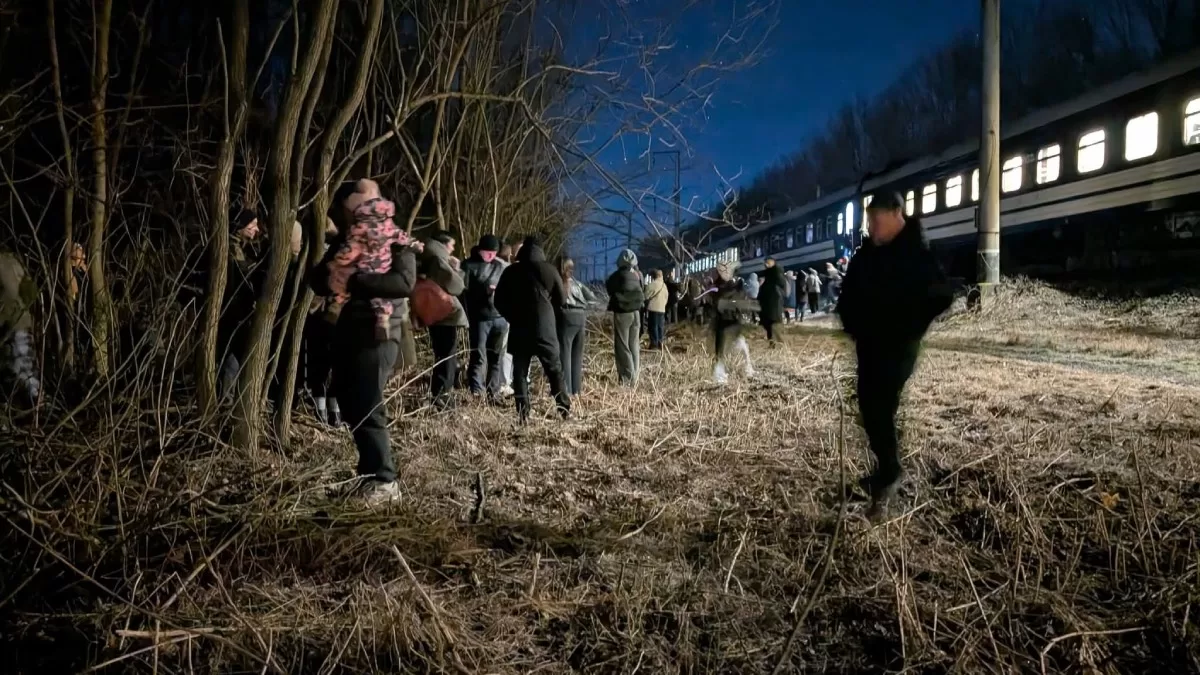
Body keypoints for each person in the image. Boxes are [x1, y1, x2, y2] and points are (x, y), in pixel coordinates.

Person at [836, 191, 953, 519]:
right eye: (869, 221)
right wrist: (853, 320)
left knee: (880, 405)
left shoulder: (916, 253)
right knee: (868, 406)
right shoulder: (869, 253)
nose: (871, 227)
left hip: (897, 347)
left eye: (876, 220)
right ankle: (886, 466)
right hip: (869, 343)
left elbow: (941, 296)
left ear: (896, 213)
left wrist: (907, 326)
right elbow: (849, 292)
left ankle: (888, 473)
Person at [308, 181, 420, 505]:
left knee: (368, 403)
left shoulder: (395, 238)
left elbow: (403, 282)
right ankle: (369, 475)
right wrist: (329, 275)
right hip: (346, 332)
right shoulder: (348, 238)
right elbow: (317, 279)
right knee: (351, 403)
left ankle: (385, 481)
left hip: (379, 332)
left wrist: (355, 280)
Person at [493, 235, 570, 422]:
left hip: (520, 327)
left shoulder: (511, 271)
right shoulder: (549, 270)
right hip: (545, 327)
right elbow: (562, 299)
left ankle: (523, 413)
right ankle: (563, 408)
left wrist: (512, 316)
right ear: (541, 250)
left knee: (519, 372)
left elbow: (499, 301)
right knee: (554, 369)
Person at [418, 231, 467, 410]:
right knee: (448, 355)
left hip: (432, 312)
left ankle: (439, 392)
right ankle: (442, 395)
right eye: (451, 245)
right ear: (443, 244)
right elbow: (457, 285)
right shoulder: (439, 260)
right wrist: (457, 268)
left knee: (441, 353)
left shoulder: (426, 256)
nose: (453, 249)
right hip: (444, 314)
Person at [461, 234, 508, 403]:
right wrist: (483, 292)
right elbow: (462, 293)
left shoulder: (501, 266)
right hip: (479, 318)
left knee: (496, 357)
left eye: (493, 253)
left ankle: (493, 392)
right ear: (479, 250)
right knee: (479, 356)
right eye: (487, 252)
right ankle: (476, 392)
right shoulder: (468, 266)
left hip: (500, 317)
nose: (490, 256)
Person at [0, 248, 40, 405]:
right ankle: (35, 406)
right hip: (23, 321)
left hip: (10, 324)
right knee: (26, 367)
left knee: (19, 369)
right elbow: (30, 291)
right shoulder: (12, 259)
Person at [557, 256, 598, 396]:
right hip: (581, 317)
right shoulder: (578, 284)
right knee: (577, 356)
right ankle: (577, 390)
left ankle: (566, 390)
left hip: (565, 317)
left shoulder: (559, 283)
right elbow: (593, 298)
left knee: (565, 354)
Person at [710, 260, 755, 384]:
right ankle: (720, 375)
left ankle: (748, 368)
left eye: (725, 270)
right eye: (721, 270)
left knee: (740, 344)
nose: (723, 272)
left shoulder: (735, 284)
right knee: (721, 349)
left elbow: (739, 300)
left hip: (733, 320)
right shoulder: (718, 286)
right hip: (723, 321)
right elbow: (717, 302)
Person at [605, 249, 643, 386]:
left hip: (623, 313)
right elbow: (642, 288)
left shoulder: (617, 276)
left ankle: (627, 378)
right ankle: (635, 376)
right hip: (636, 313)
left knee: (622, 346)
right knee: (634, 345)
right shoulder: (638, 275)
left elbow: (609, 288)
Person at [757, 258, 787, 347]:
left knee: (774, 325)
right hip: (769, 305)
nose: (765, 265)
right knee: (769, 325)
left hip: (773, 305)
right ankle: (773, 344)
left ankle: (778, 345)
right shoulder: (770, 276)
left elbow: (780, 288)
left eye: (767, 263)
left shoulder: (776, 274)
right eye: (765, 263)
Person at [643, 269, 668, 349]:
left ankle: (654, 344)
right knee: (660, 326)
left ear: (654, 276)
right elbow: (666, 297)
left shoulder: (652, 284)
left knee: (653, 326)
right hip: (662, 309)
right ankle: (660, 343)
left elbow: (645, 295)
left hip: (653, 308)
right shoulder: (664, 286)